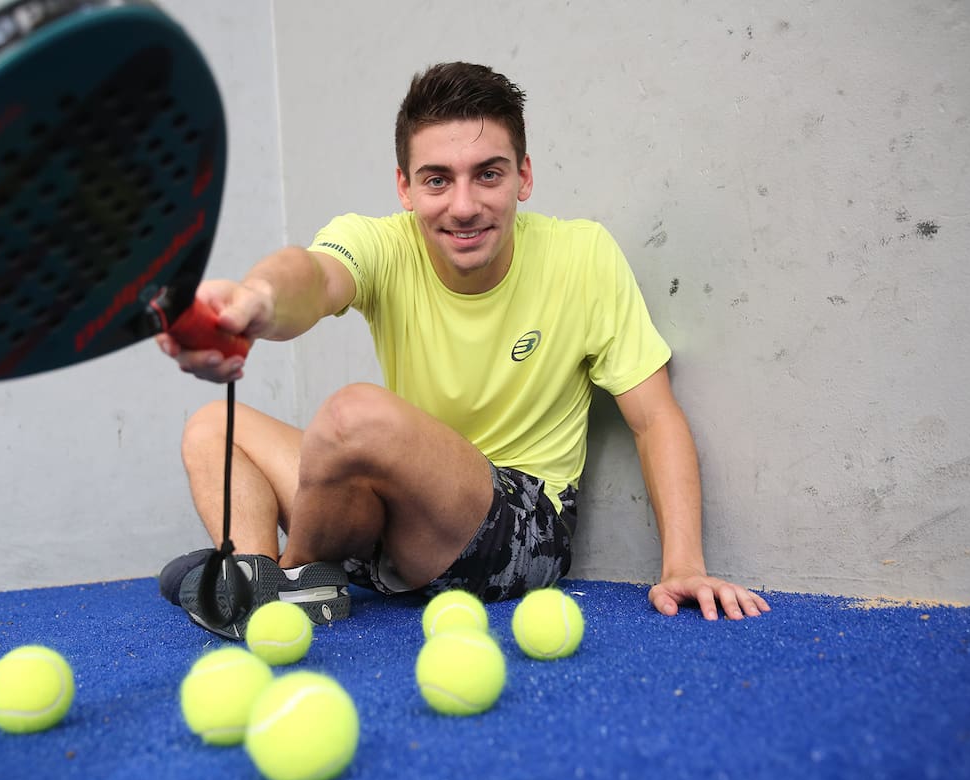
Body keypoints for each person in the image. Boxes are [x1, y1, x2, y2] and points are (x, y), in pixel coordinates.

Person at [156, 62, 770, 639]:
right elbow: (313, 279)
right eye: (437, 180)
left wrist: (683, 564)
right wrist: (257, 298)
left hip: (521, 530)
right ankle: (256, 581)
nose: (464, 205)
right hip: (394, 527)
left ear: (524, 176)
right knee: (211, 426)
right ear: (405, 187)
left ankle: (287, 577)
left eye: (489, 174)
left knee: (354, 416)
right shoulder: (379, 244)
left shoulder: (582, 256)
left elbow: (654, 417)